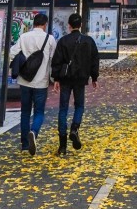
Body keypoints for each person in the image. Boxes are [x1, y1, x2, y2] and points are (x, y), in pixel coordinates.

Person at [50, 13, 99, 155]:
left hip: (65, 78)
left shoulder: (63, 41)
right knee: (79, 105)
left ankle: (62, 146)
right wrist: (94, 77)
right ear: (81, 25)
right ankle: (74, 128)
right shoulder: (88, 41)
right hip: (81, 78)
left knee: (63, 109)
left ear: (69, 26)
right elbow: (94, 59)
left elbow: (57, 61)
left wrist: (56, 79)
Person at [16, 11, 54, 157]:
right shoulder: (49, 39)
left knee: (25, 112)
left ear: (33, 23)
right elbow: (53, 59)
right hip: (41, 82)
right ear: (45, 25)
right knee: (39, 112)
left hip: (24, 80)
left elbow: (13, 53)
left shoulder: (23, 37)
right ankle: (34, 132)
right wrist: (53, 78)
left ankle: (25, 144)